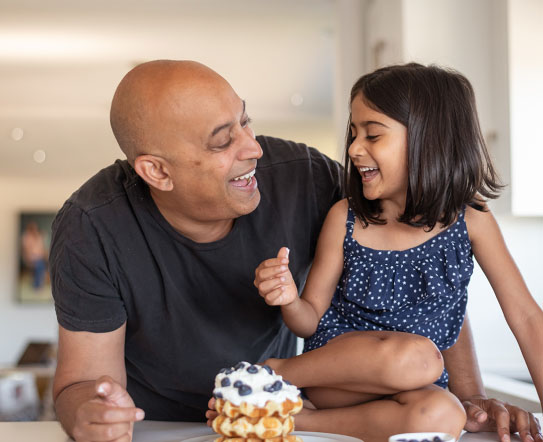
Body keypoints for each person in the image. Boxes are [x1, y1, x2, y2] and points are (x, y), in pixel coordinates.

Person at [49, 60, 538, 442]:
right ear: (157, 172)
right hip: (160, 426)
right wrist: (92, 415)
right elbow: (82, 385)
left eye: (246, 122)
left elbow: (432, 287)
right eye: (224, 141)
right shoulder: (93, 227)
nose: (253, 148)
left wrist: (470, 395)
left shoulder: (305, 177)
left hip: (285, 415)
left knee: (437, 404)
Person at [254, 63, 543, 442]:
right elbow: (307, 321)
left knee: (445, 415)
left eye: (373, 135)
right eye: (354, 134)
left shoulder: (471, 220)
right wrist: (290, 299)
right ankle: (271, 375)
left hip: (413, 389)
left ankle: (294, 420)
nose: (355, 149)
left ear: (430, 140)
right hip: (336, 380)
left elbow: (525, 316)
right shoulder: (347, 219)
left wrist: (471, 397)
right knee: (419, 358)